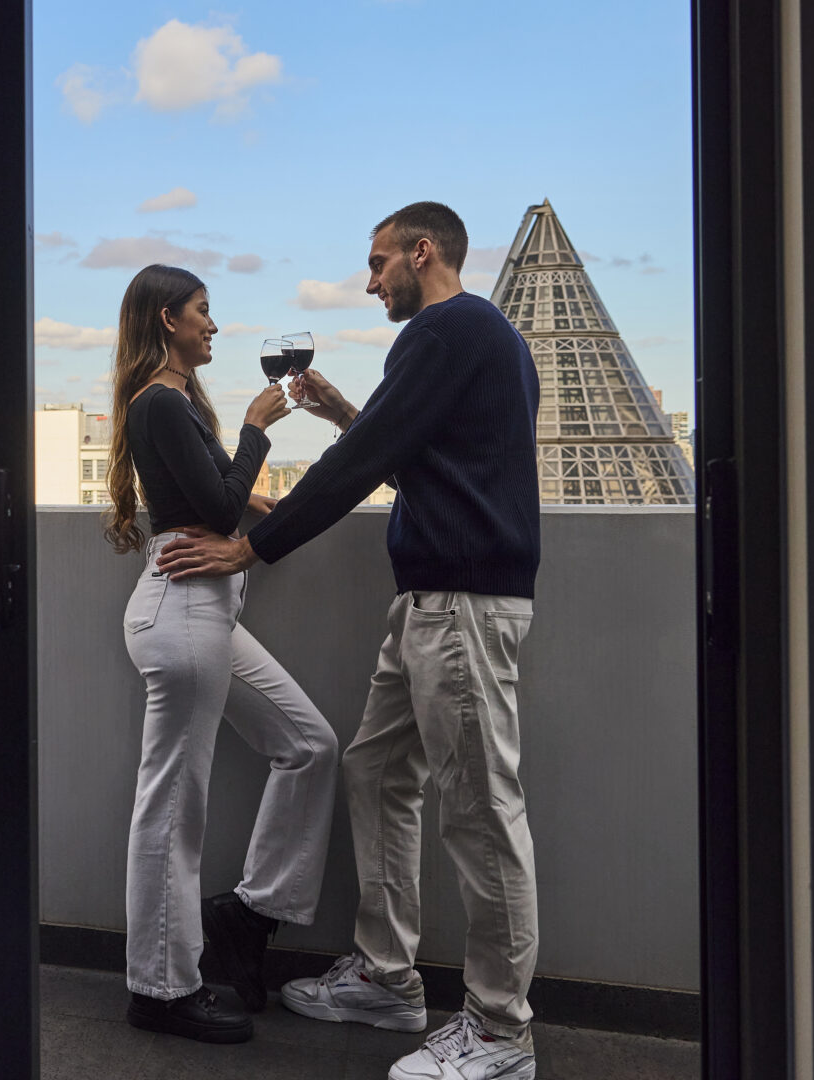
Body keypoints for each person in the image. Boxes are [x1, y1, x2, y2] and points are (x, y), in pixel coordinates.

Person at [156, 203, 543, 1080]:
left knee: (483, 814)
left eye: (377, 265)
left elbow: (366, 463)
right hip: (432, 603)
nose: (370, 283)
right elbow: (420, 456)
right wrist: (346, 415)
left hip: (464, 604)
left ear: (422, 252)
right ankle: (385, 977)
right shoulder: (486, 337)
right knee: (375, 771)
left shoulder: (445, 330)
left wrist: (252, 543)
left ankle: (499, 1030)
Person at [108, 264, 341, 1045]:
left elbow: (207, 496)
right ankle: (162, 988)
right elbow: (209, 505)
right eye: (204, 313)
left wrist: (252, 497)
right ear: (168, 319)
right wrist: (254, 429)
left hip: (205, 611)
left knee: (310, 745)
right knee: (172, 807)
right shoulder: (162, 401)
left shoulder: (170, 405)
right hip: (184, 613)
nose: (214, 325)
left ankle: (247, 915)